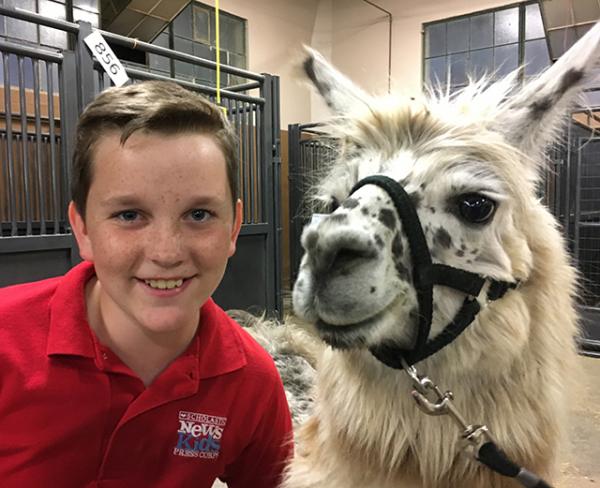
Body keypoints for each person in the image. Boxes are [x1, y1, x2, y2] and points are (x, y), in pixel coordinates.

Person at [0, 80, 293, 487]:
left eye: (199, 214)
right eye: (129, 215)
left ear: (233, 228)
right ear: (82, 229)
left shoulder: (251, 382)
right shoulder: (6, 340)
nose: (166, 252)